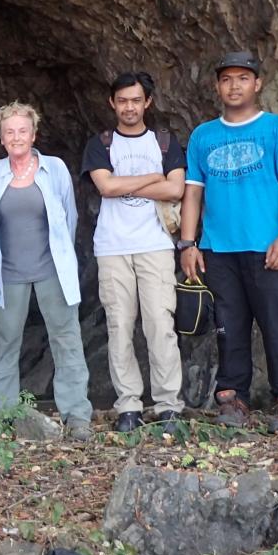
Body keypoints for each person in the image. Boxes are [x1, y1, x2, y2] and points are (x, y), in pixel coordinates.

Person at [179, 52, 278, 436]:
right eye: (226, 79)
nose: (234, 86)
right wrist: (189, 244)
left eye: (242, 78)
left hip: (266, 246)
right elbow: (192, 194)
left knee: (277, 323)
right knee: (228, 325)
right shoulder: (203, 135)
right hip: (218, 248)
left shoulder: (277, 129)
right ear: (217, 86)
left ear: (258, 83)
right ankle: (231, 398)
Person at [80, 73, 186, 433]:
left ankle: (169, 405)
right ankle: (129, 405)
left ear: (148, 103)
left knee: (160, 324)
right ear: (112, 103)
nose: (129, 107)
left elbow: (178, 190)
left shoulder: (165, 142)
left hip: (155, 246)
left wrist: (149, 184)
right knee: (119, 326)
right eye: (122, 101)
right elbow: (106, 187)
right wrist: (154, 179)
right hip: (113, 248)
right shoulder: (100, 144)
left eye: (135, 100)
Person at [0, 102, 92, 440]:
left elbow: (69, 219)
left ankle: (77, 416)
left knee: (66, 339)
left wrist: (64, 261)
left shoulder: (53, 168)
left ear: (34, 134)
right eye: (9, 131)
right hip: (9, 272)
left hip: (51, 269)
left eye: (23, 130)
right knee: (4, 342)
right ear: (1, 138)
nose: (17, 137)